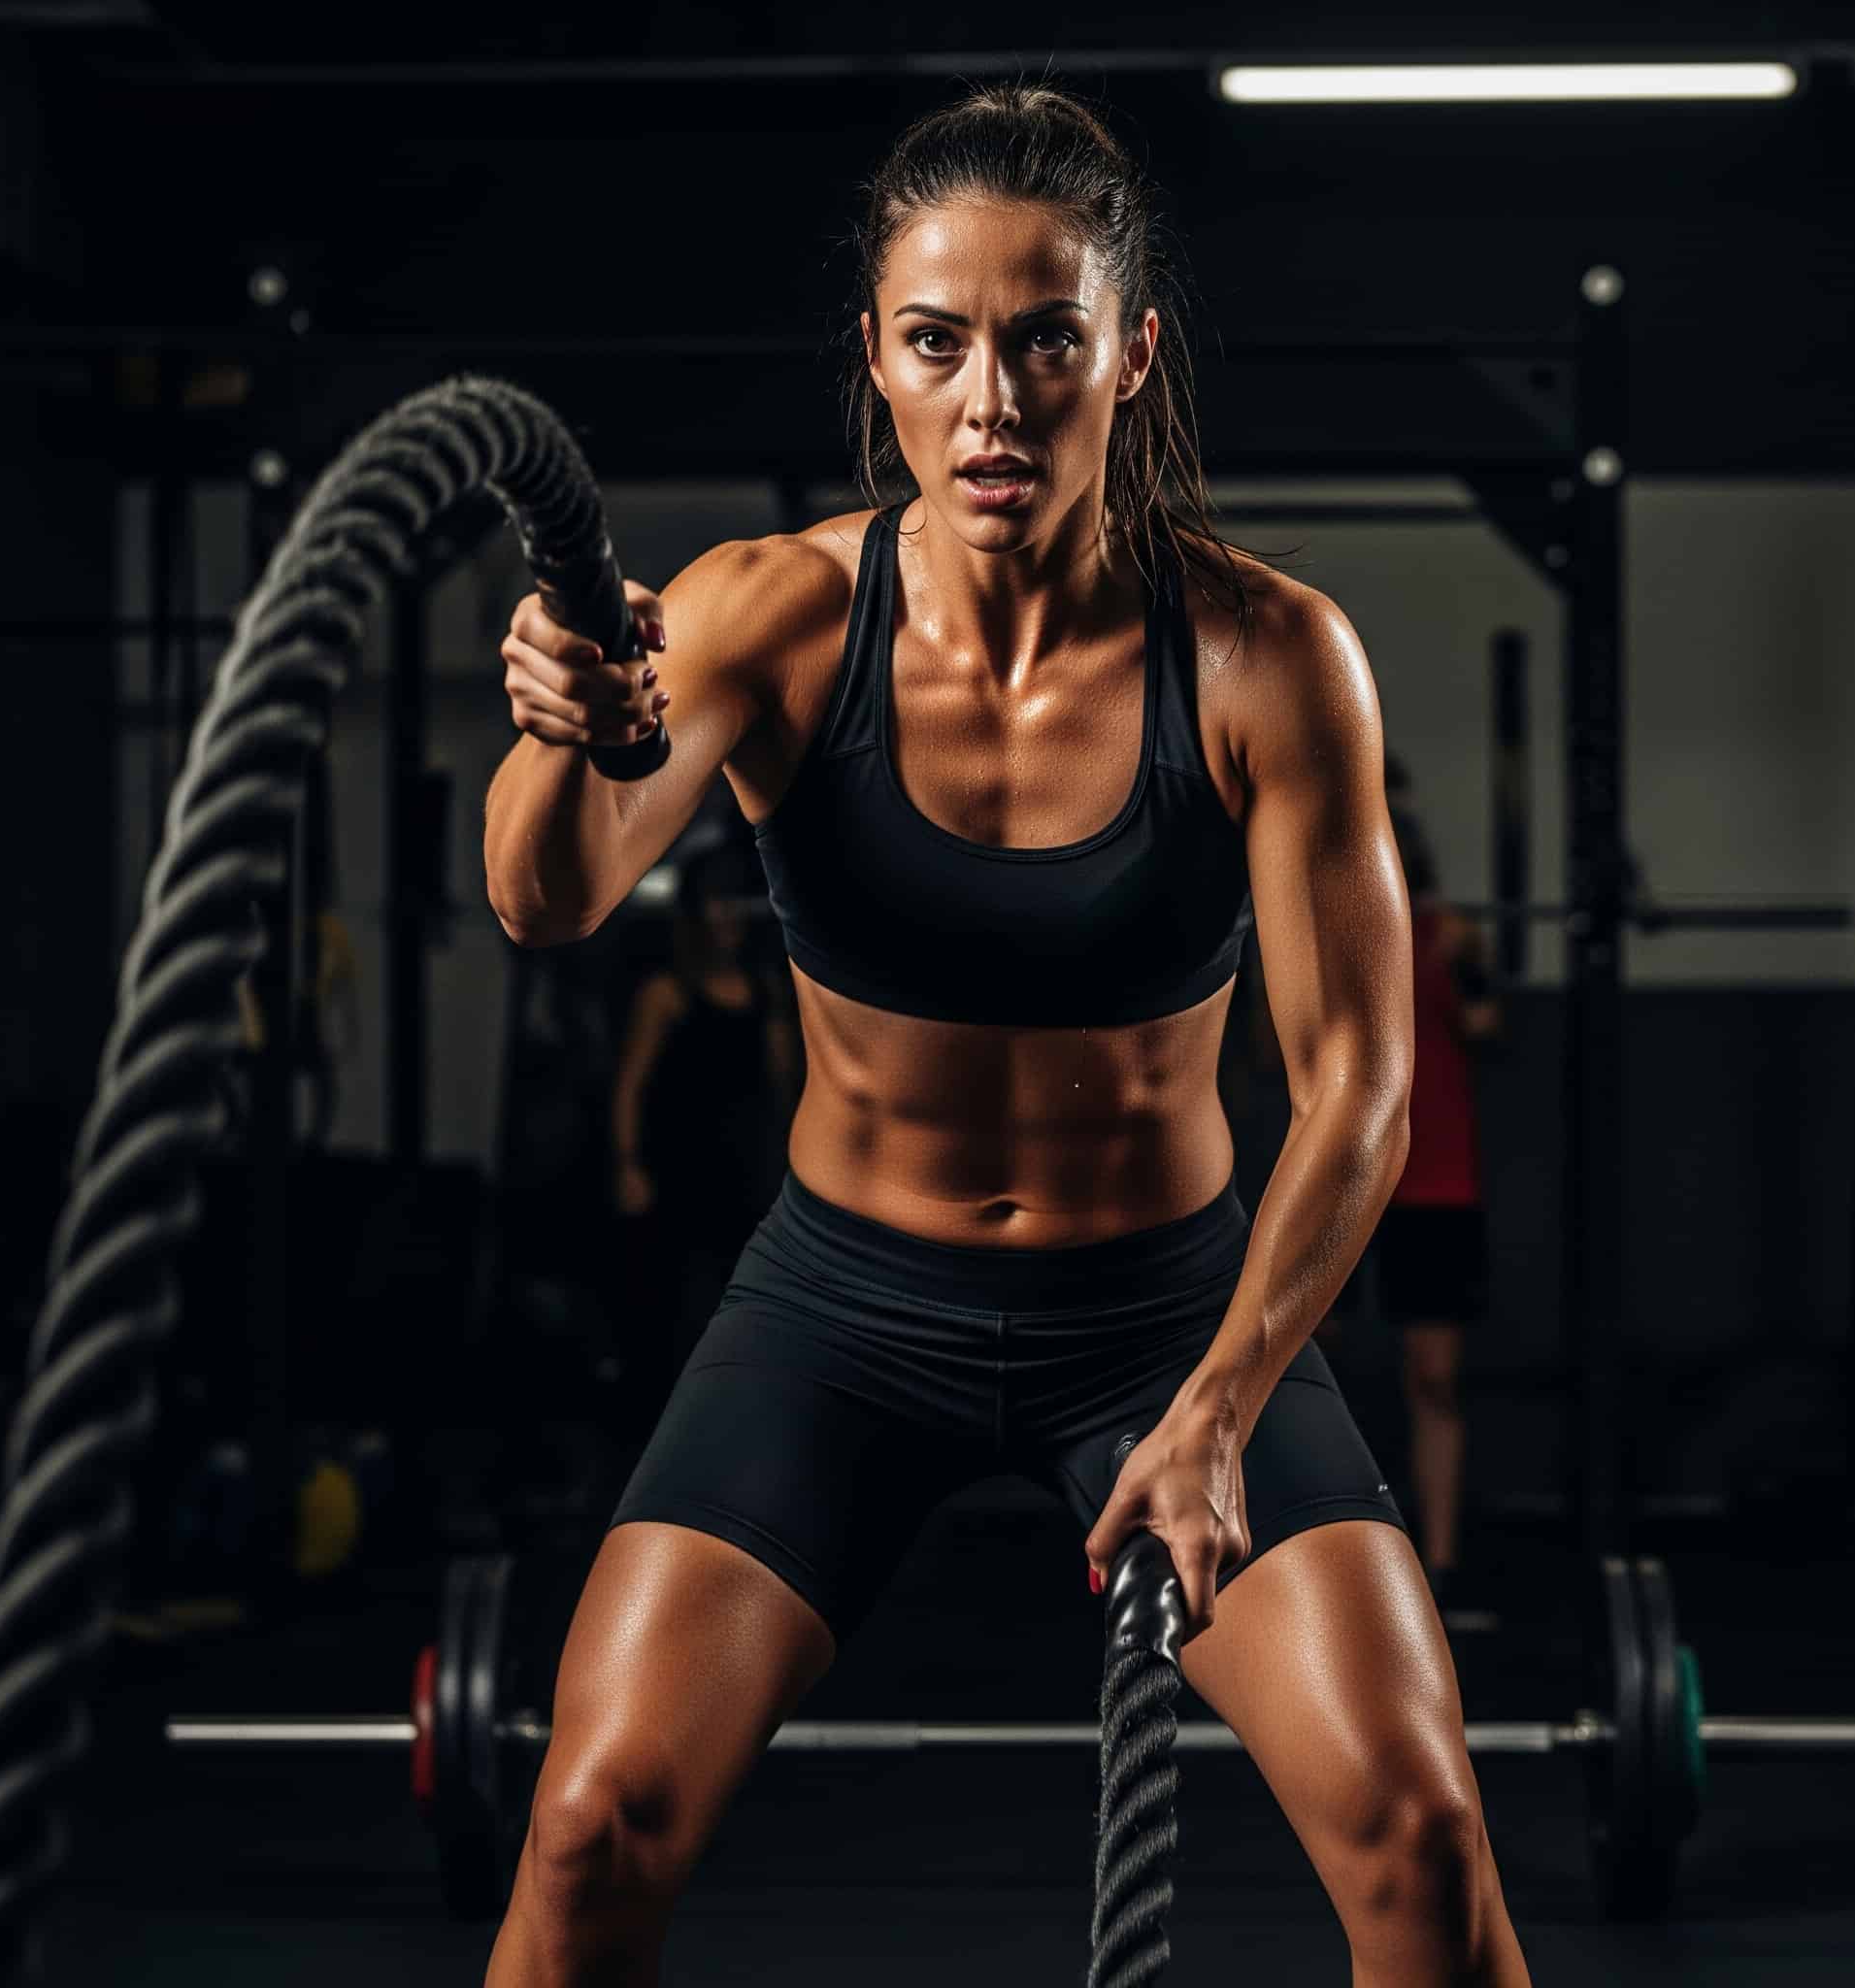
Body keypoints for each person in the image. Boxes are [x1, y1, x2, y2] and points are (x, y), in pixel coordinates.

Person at [481, 84, 1530, 1986]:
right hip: (837, 1311)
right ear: (873, 360)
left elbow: (1360, 1091)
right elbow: (546, 895)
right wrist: (563, 718)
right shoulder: (769, 617)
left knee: (1422, 1831)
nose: (993, 403)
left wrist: (1217, 1406)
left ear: (1129, 356)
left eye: (1046, 340)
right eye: (939, 343)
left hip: (1169, 1318)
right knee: (583, 1826)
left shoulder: (1266, 658)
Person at [1370, 782, 1503, 1632]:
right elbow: (1272, 1053)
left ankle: (1441, 1567)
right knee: (1300, 1378)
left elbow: (1488, 1027)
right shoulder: (1321, 918)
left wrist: (1467, 960)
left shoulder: (1445, 936)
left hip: (1437, 1183)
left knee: (1435, 1379)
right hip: (1338, 1179)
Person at [609, 839, 798, 1420]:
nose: (726, 918)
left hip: (746, 1176)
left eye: (733, 903)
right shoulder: (667, 993)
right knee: (678, 1318)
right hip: (681, 1176)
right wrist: (628, 1165)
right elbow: (630, 1087)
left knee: (741, 1314)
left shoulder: (763, 991)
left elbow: (785, 1085)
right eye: (715, 904)